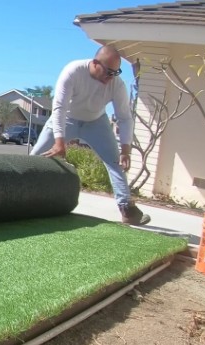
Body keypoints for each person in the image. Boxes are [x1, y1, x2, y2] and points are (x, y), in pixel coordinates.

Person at [32, 45, 150, 226]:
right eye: (108, 72)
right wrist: (59, 141)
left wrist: (126, 149)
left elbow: (125, 118)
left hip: (96, 122)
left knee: (115, 162)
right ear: (95, 64)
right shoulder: (73, 71)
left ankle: (127, 209)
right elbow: (59, 108)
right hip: (67, 118)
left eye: (116, 73)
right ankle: (18, 195)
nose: (111, 77)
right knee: (36, 156)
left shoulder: (117, 85)